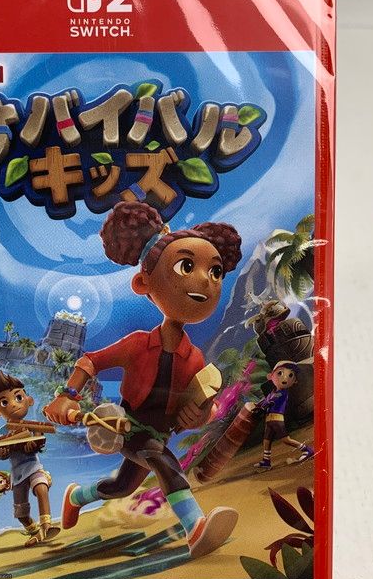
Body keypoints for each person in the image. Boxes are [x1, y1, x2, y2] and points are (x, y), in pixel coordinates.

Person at [44, 201, 242, 559]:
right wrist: (67, 395)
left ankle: (76, 497)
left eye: (215, 272)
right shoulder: (137, 344)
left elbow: (204, 407)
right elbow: (91, 361)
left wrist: (200, 414)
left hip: (158, 434)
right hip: (127, 427)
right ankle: (195, 527)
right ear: (143, 283)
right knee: (162, 460)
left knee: (121, 486)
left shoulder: (195, 359)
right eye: (186, 266)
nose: (205, 280)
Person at [0, 371, 59, 546]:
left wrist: (34, 445)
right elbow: (0, 451)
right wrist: (2, 453)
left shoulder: (33, 426)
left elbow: (40, 441)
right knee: (21, 514)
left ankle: (47, 525)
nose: (13, 404)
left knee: (41, 488)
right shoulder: (3, 433)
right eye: (4, 402)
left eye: (18, 397)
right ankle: (35, 532)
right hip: (17, 475)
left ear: (29, 400)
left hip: (33, 468)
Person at [254, 360, 314, 470]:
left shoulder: (281, 393)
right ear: (270, 376)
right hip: (269, 419)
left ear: (295, 381)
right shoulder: (273, 392)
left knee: (286, 440)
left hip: (277, 419)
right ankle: (266, 461)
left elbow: (270, 401)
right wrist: (259, 405)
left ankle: (307, 450)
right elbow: (266, 401)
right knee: (266, 440)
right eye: (280, 373)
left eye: (290, 375)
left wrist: (262, 406)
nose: (284, 378)